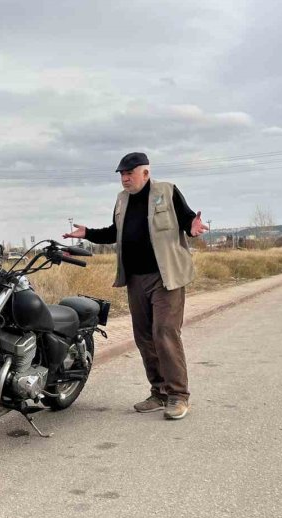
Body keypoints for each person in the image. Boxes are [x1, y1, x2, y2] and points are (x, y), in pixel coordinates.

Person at [64, 152, 208, 420]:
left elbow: (188, 219)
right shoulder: (121, 200)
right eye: (121, 174)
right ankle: (159, 392)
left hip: (167, 278)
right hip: (135, 279)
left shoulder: (168, 191)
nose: (125, 178)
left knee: (164, 331)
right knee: (144, 337)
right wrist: (88, 234)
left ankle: (178, 395)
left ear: (146, 172)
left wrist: (193, 226)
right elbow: (114, 232)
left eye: (130, 173)